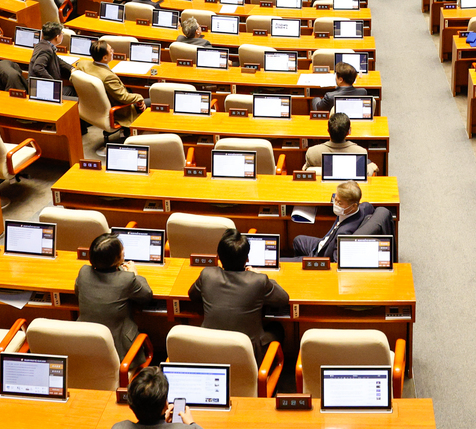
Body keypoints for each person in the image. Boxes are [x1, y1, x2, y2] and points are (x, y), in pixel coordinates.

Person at [189, 229, 290, 358]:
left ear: (218, 257)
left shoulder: (207, 275)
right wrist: (262, 276)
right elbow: (283, 299)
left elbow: (193, 295)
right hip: (248, 354)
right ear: (247, 258)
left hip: (211, 350)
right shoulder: (258, 280)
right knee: (277, 328)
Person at [76, 232, 154, 359]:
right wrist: (135, 274)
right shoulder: (126, 279)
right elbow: (146, 295)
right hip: (120, 352)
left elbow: (77, 293)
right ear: (117, 259)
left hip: (85, 346)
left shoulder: (83, 272)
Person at [290, 180, 376, 259]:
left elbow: (335, 262)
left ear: (354, 206)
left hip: (321, 255)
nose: (335, 204)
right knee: (298, 240)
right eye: (335, 199)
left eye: (340, 203)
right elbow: (370, 208)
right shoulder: (365, 207)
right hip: (324, 242)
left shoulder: (343, 233)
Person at [77, 41, 145, 137]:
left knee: (129, 89)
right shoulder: (108, 77)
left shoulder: (82, 64)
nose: (113, 51)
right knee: (151, 103)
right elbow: (124, 98)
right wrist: (139, 97)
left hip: (92, 108)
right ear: (104, 58)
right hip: (117, 111)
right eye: (110, 50)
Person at [116, 367, 202, 428]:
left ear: (130, 405)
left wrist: (162, 420)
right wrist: (191, 423)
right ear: (166, 405)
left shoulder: (119, 427)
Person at [305, 112, 378, 175]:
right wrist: (371, 167)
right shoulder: (360, 153)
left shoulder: (312, 152)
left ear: (328, 131)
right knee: (368, 162)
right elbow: (365, 173)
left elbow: (306, 172)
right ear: (349, 132)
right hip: (350, 189)